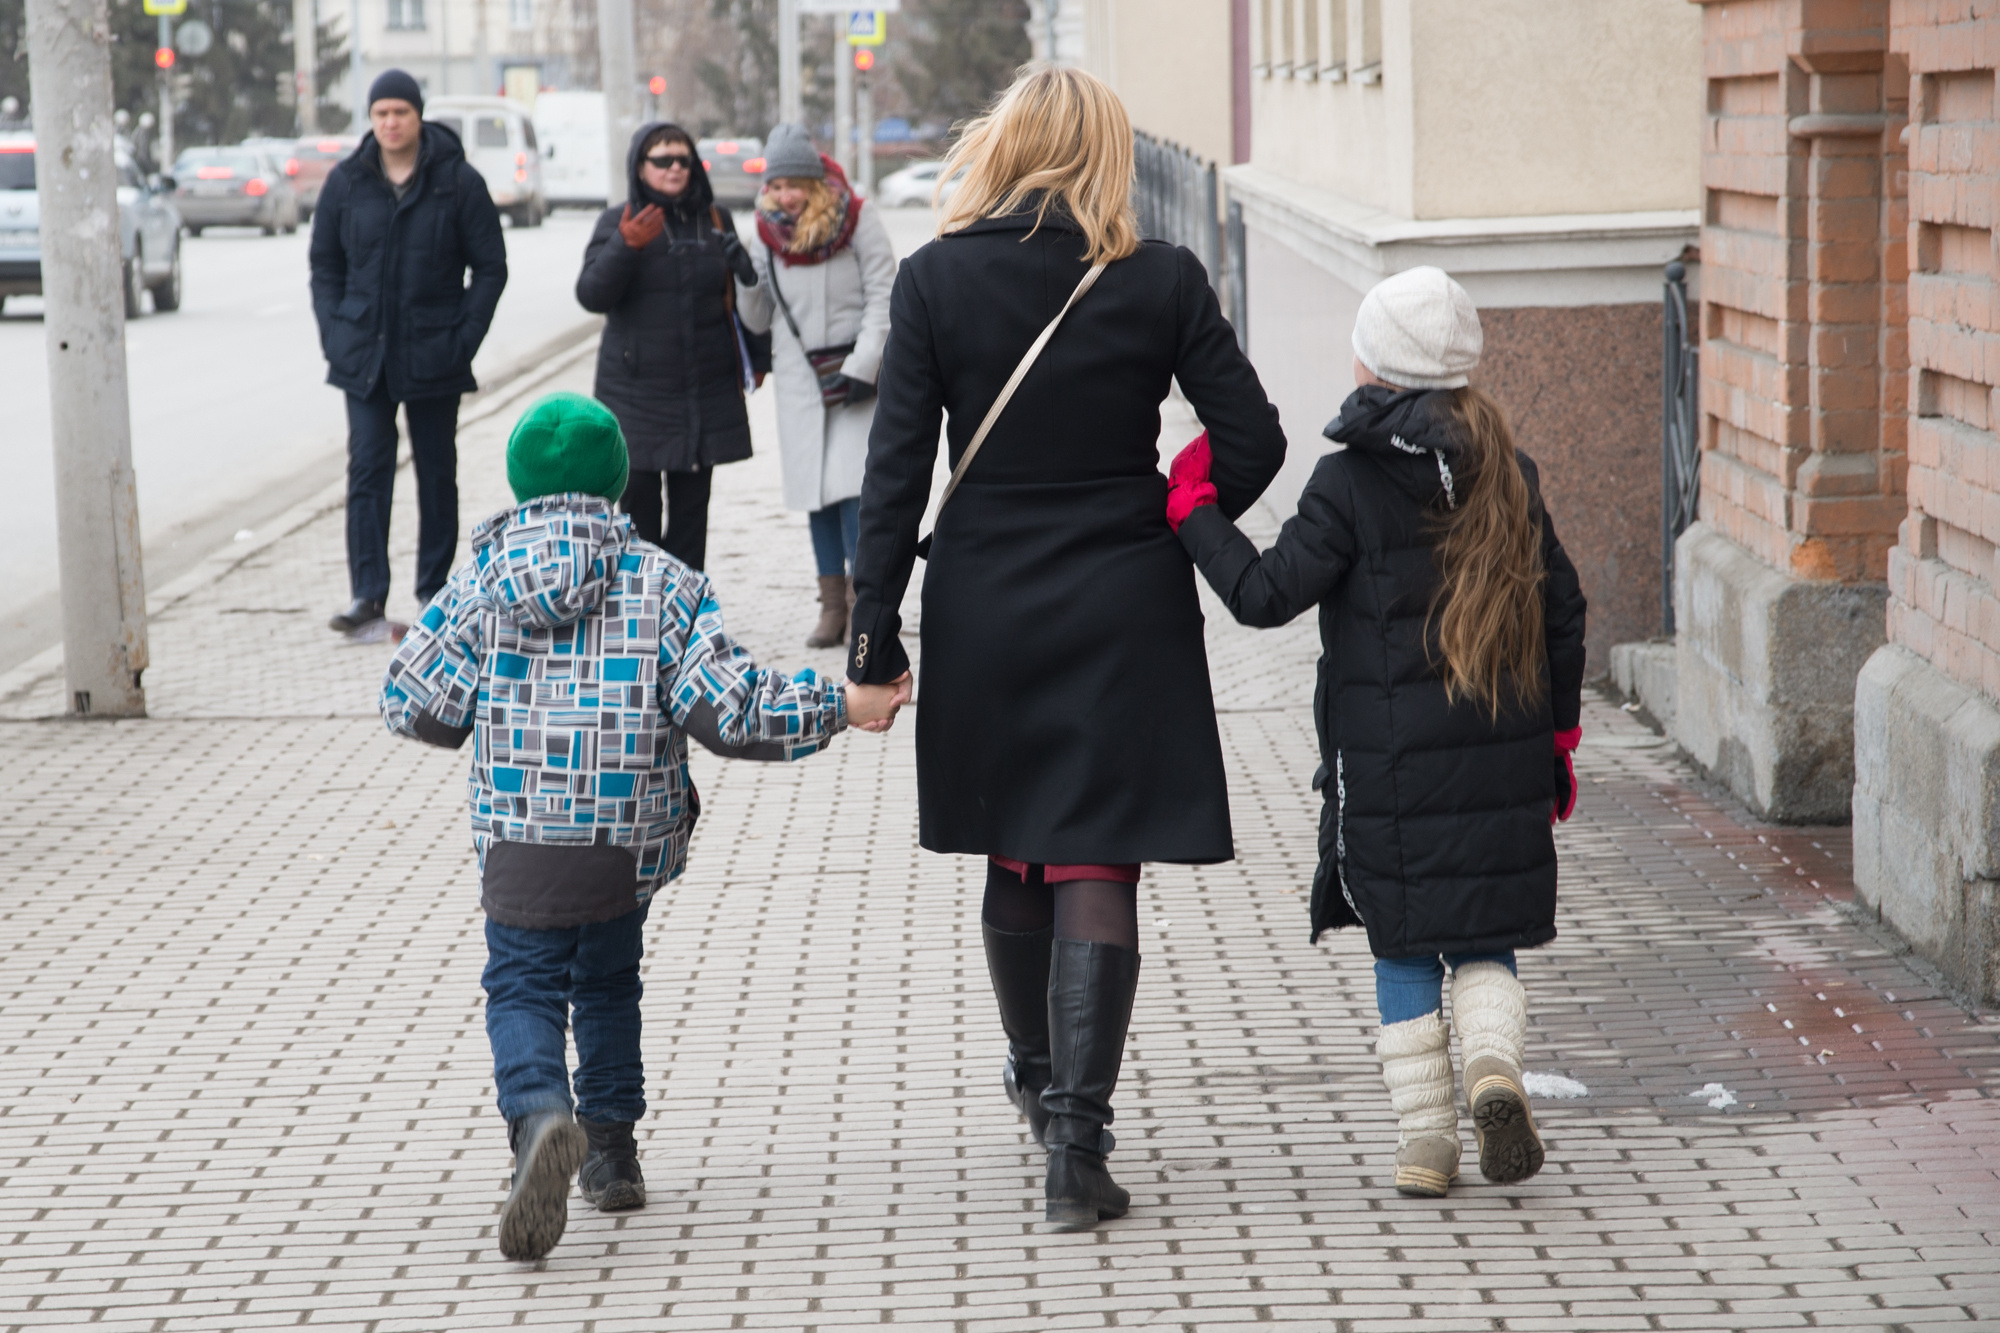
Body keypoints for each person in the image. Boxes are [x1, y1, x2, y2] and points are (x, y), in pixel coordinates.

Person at [842, 68, 1287, 1232]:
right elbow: (1253, 437)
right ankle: (1078, 1151)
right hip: (1122, 595)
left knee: (1013, 841)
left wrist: (871, 633)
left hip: (987, 596)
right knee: (1096, 857)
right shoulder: (1159, 278)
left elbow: (891, 476)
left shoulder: (936, 280)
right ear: (1105, 153)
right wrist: (1185, 506)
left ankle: (1039, 1086)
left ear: (999, 146)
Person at [379, 392, 908, 1262]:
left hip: (519, 834)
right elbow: (729, 708)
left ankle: (542, 1115)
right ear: (621, 483)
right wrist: (840, 705)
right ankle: (613, 1154)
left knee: (521, 986)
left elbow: (412, 698)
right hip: (622, 841)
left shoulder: (479, 580)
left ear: (518, 485)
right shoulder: (664, 580)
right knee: (608, 980)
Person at [1163, 266, 1589, 1198]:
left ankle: (1426, 1143)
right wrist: (1560, 737)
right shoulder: (1509, 472)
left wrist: (1194, 512)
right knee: (1485, 933)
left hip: (1389, 773)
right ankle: (1493, 1068)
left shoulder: (1348, 482)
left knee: (1402, 946)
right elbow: (1564, 608)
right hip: (1503, 760)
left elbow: (1266, 594)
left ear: (1372, 367)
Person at [310, 68, 507, 636]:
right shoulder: (347, 181)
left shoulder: (457, 181)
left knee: (436, 473)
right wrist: (335, 331)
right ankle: (367, 596)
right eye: (381, 114)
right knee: (368, 470)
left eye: (400, 112)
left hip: (434, 355)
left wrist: (462, 338)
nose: (391, 122)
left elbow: (490, 267)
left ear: (418, 116)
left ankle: (435, 592)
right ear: (370, 120)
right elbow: (325, 265)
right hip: (362, 356)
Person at [735, 124, 897, 648]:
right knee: (816, 494)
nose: (785, 195)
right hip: (801, 378)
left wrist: (864, 362)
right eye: (777, 185)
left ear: (815, 181)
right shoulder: (763, 233)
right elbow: (758, 321)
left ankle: (859, 603)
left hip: (855, 373)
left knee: (855, 491)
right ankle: (830, 606)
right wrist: (742, 278)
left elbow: (883, 293)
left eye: (795, 184)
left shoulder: (857, 218)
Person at [577, 122, 760, 570]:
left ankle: (684, 613)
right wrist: (625, 246)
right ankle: (640, 610)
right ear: (640, 167)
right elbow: (591, 295)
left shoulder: (716, 218)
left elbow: (742, 299)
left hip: (704, 391)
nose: (675, 168)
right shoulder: (617, 220)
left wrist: (745, 268)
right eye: (663, 160)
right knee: (637, 516)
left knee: (692, 515)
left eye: (684, 159)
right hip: (636, 393)